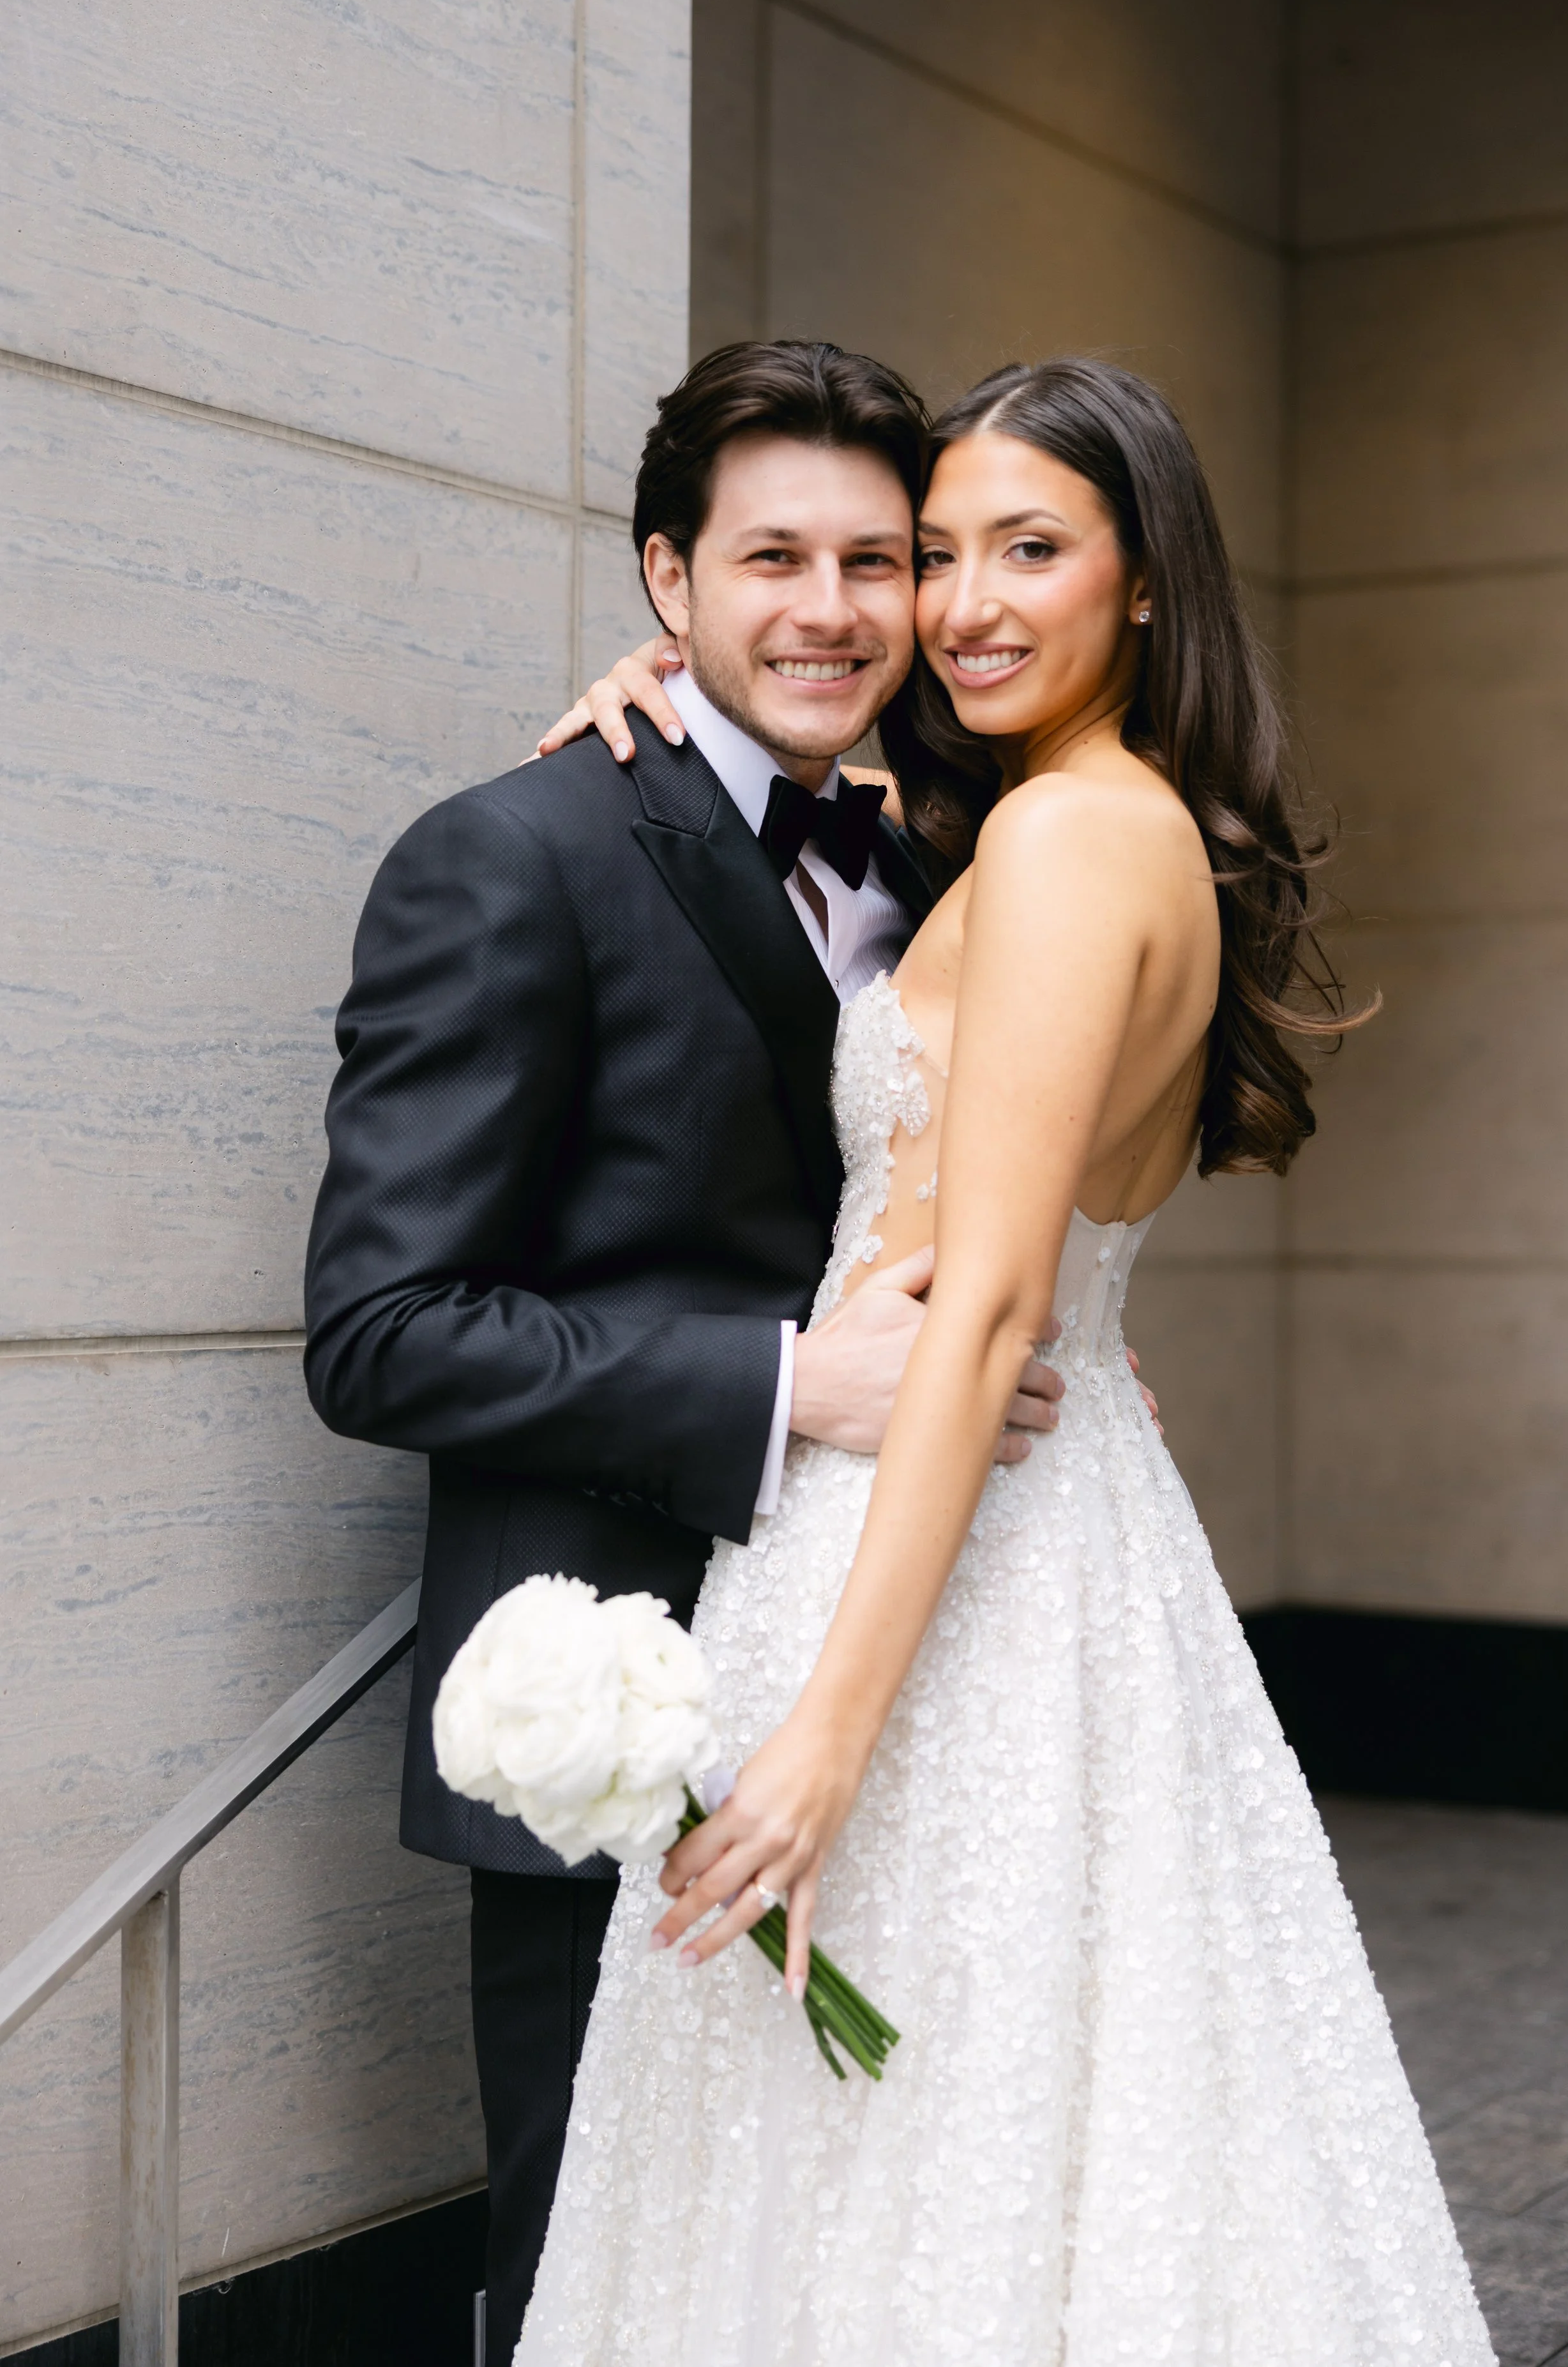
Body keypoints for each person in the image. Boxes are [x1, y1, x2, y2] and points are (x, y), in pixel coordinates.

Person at [516, 359, 1494, 2365]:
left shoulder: (1059, 847)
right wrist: (676, 698)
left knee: (885, 2135)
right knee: (1023, 2116)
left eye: (1025, 551)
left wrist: (822, 1744)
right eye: (933, 552)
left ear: (1145, 583)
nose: (957, 603)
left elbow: (980, 1301)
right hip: (1051, 1538)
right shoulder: (1071, 825)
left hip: (927, 1557)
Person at [301, 341, 1094, 2367]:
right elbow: (382, 1331)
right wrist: (781, 1383)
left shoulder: (930, 854)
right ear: (668, 580)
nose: (827, 610)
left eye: (871, 560)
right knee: (598, 2281)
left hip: (894, 1675)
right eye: (769, 560)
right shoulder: (513, 854)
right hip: (615, 1700)